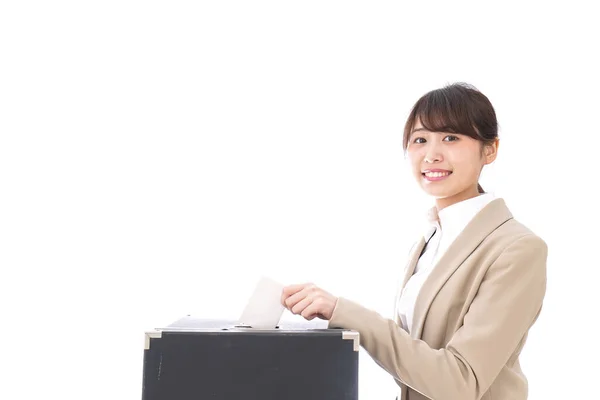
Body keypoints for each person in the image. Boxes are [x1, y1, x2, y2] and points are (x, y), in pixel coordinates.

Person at [280, 82, 548, 400]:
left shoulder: (516, 248)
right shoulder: (432, 239)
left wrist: (345, 313)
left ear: (489, 150)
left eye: (451, 137)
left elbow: (460, 383)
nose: (431, 155)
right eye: (420, 139)